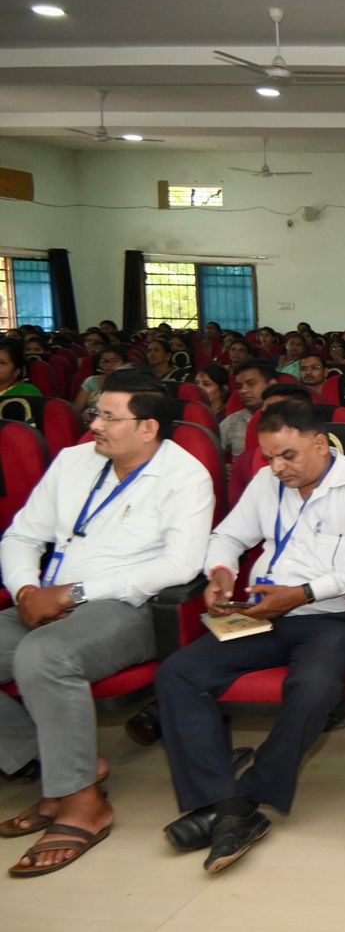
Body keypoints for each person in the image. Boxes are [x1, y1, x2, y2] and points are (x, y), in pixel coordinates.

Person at [155, 402, 345, 873]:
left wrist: (304, 592)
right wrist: (221, 571)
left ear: (320, 444)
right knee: (178, 674)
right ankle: (224, 802)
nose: (277, 468)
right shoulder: (267, 483)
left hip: (327, 616)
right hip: (261, 614)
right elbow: (227, 537)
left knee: (313, 688)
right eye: (268, 457)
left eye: (288, 455)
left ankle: (246, 797)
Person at [0, 371, 213, 875]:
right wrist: (26, 592)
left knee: (45, 655)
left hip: (130, 609)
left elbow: (179, 567)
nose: (94, 424)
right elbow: (21, 536)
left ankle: (83, 804)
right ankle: (60, 763)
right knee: (36, 645)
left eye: (108, 417)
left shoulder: (184, 476)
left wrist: (73, 593)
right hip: (44, 600)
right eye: (95, 413)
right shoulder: (72, 462)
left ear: (148, 427)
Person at [218, 359, 276, 462]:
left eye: (251, 383)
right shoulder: (233, 421)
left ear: (271, 385)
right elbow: (210, 454)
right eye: (239, 387)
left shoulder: (290, 417)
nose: (243, 391)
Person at [73, 345, 134, 416]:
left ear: (125, 363)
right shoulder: (91, 381)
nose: (109, 364)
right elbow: (76, 411)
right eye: (104, 361)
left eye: (114, 361)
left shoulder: (133, 382)